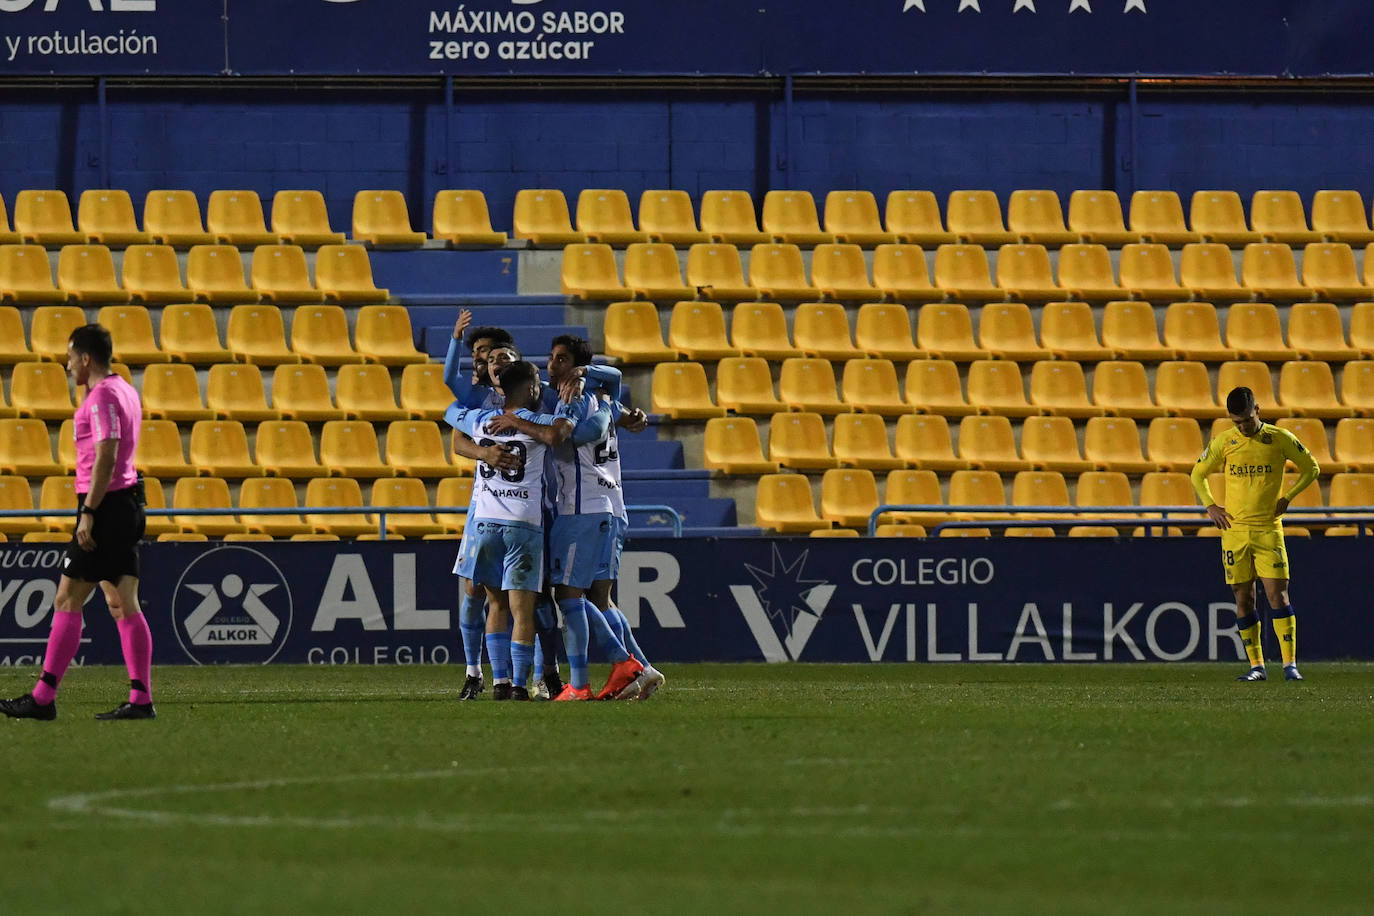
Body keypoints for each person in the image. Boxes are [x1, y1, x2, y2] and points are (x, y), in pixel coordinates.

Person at [2, 324, 154, 721]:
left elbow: (106, 454)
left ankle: (42, 697)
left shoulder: (102, 397)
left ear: (86, 358)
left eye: (71, 357)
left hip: (104, 507)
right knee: (121, 602)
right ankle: (141, 699)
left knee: (67, 599)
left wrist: (88, 511)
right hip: (128, 501)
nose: (67, 365)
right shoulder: (126, 389)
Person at [487, 335, 645, 701]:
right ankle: (640, 667)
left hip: (580, 508)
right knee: (597, 598)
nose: (551, 365)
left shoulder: (574, 401)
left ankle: (604, 672)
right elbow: (615, 390)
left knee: (570, 596)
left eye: (561, 360)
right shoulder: (600, 398)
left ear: (575, 367)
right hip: (607, 505)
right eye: (551, 357)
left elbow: (565, 436)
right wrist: (615, 410)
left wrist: (518, 419)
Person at [445, 359, 565, 701]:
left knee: (494, 603)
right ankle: (517, 687)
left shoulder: (482, 420)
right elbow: (557, 432)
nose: (541, 388)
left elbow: (450, 412)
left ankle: (498, 681)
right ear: (529, 389)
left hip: (484, 524)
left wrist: (484, 449)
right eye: (538, 382)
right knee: (522, 611)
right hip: (523, 526)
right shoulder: (538, 422)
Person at [1190, 386, 1318, 682]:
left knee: (1278, 595)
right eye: (1237, 422)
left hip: (1267, 530)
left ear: (1257, 410)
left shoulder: (1279, 438)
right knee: (1243, 598)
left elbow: (1311, 467)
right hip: (1234, 532)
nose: (1243, 427)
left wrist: (1288, 497)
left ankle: (1290, 666)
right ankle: (1257, 666)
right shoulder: (1225, 441)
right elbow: (1197, 474)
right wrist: (1210, 506)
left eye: (1246, 420)